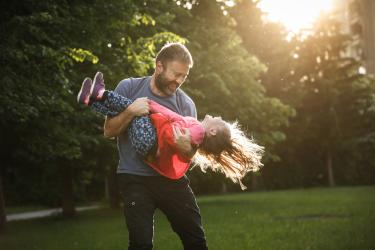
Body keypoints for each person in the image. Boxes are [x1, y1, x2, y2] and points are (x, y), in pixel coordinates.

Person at [78, 71, 263, 187]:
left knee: (132, 106)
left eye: (219, 121)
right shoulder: (195, 133)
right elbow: (174, 124)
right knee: (129, 109)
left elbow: (173, 123)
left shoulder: (197, 131)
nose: (218, 117)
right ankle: (91, 100)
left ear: (212, 131)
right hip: (148, 143)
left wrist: (152, 106)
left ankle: (100, 94)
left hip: (149, 141)